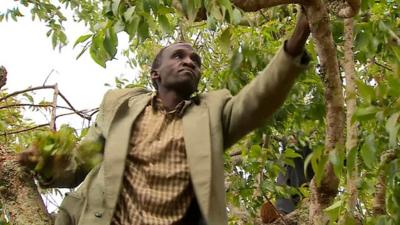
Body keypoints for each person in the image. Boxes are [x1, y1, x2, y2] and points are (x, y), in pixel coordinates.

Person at [19, 9, 311, 225]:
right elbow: (80, 163)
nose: (189, 61)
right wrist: (44, 163)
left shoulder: (211, 113)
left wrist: (296, 41)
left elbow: (258, 100)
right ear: (155, 74)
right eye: (179, 56)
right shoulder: (119, 105)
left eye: (195, 61)